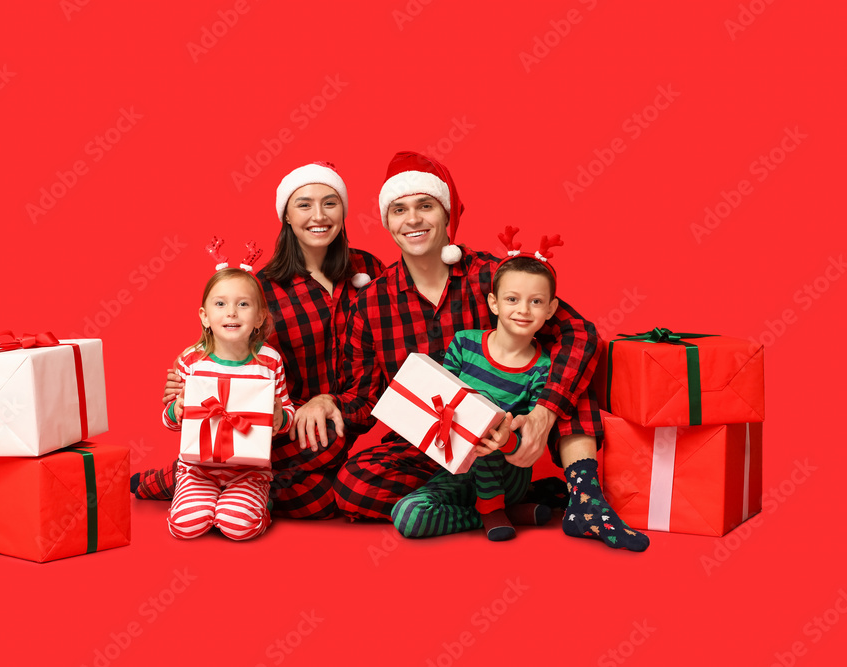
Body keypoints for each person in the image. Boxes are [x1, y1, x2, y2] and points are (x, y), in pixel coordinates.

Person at [296, 150, 647, 551]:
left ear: (446, 214)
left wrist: (542, 414)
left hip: (503, 440)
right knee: (353, 487)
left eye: (425, 206)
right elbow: (363, 394)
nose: (412, 219)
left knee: (568, 366)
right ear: (387, 222)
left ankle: (586, 500)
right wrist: (327, 401)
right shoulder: (372, 301)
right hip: (426, 446)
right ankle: (499, 507)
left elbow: (579, 333)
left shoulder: (491, 276)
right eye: (399, 210)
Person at [134, 161, 385, 519]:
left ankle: (202, 474)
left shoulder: (370, 271)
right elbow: (228, 347)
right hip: (280, 423)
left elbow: (385, 346)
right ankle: (210, 473)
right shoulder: (263, 288)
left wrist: (330, 401)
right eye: (304, 204)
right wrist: (186, 374)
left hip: (347, 413)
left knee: (331, 445)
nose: (319, 215)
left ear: (343, 210)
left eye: (330, 202)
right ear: (285, 216)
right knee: (323, 494)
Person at [163, 265, 294, 541]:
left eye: (243, 304)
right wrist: (177, 410)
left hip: (250, 471)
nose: (231, 312)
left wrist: (281, 418)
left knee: (238, 527)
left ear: (259, 317)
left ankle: (258, 508)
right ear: (205, 316)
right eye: (220, 303)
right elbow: (169, 421)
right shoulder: (191, 361)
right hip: (197, 470)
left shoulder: (269, 361)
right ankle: (205, 501)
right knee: (186, 526)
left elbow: (287, 412)